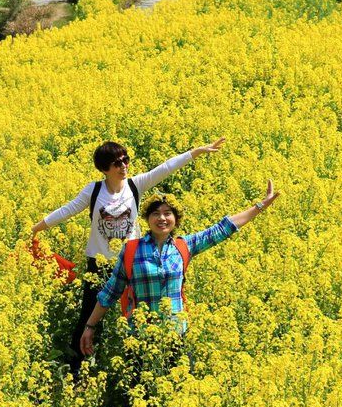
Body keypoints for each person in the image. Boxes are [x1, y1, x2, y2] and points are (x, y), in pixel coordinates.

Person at [31, 138, 225, 373]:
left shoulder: (135, 185)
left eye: (126, 159)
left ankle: (136, 367)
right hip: (98, 265)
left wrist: (194, 153)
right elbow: (68, 210)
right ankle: (79, 371)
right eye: (117, 162)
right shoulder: (93, 191)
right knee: (89, 318)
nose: (124, 165)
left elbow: (165, 168)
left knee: (136, 317)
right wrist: (35, 228)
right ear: (105, 169)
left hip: (133, 263)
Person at [80, 180, 280, 355]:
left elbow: (221, 229)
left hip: (175, 335)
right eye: (156, 214)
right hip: (138, 336)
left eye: (168, 213)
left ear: (176, 219)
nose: (162, 218)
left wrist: (259, 206)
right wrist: (90, 326)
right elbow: (110, 292)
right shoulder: (131, 250)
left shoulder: (184, 246)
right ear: (147, 219)